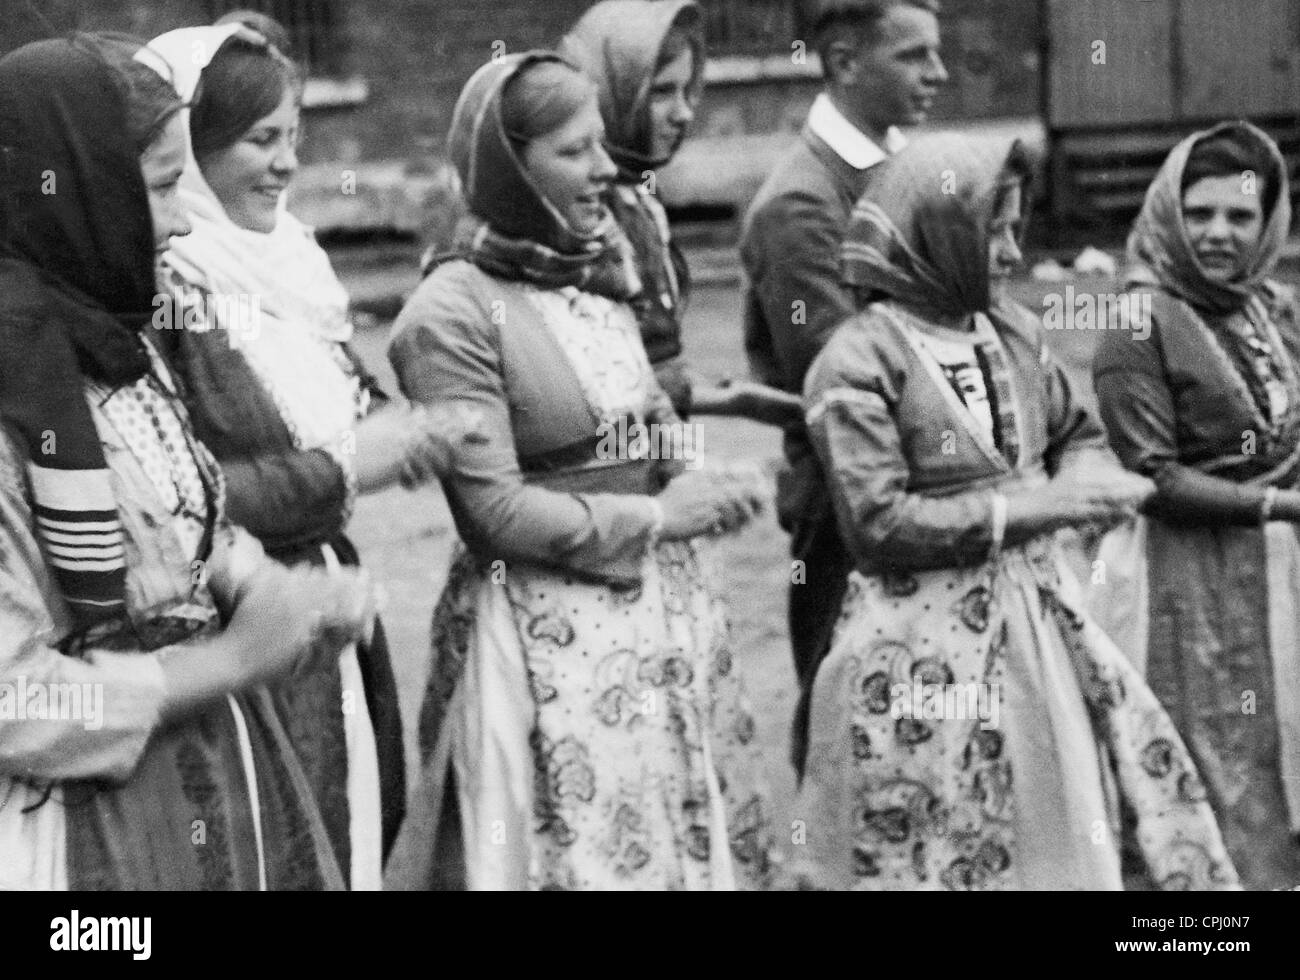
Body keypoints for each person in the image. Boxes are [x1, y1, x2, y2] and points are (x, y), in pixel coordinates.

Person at [793, 134, 1238, 890]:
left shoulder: (1014, 332)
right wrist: (1043, 506)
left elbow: (1080, 434)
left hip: (1035, 628)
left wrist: (1093, 483)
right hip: (917, 646)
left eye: (1014, 229)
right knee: (933, 833)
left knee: (1049, 814)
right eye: (990, 230)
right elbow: (878, 527)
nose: (1009, 252)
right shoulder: (859, 361)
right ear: (933, 231)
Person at [386, 52, 774, 890]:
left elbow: (649, 420)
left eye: (602, 145)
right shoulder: (448, 314)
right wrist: (663, 520)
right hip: (542, 634)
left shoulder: (595, 273)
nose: (606, 169)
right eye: (574, 150)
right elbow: (494, 513)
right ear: (507, 163)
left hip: (658, 619)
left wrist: (699, 477)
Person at [0, 34, 372, 890]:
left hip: (209, 782)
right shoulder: (18, 391)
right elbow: (16, 699)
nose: (181, 219)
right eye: (164, 187)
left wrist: (267, 587)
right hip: (79, 834)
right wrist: (228, 662)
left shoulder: (119, 347)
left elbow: (180, 515)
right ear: (83, 196)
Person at [141, 18, 465, 888]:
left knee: (354, 835)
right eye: (259, 140)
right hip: (243, 627)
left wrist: (420, 433)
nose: (286, 163)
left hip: (333, 616)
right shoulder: (163, 298)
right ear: (190, 148)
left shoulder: (287, 265)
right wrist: (348, 465)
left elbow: (348, 402)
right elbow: (182, 501)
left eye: (294, 137)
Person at [738, 0, 948, 776]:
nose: (939, 73)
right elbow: (843, 388)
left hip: (919, 497)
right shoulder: (803, 204)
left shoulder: (894, 169)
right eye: (914, 55)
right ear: (843, 61)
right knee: (850, 732)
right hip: (851, 511)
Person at [1090, 121, 1300, 890]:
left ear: (1269, 223)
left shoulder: (1267, 307)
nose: (1217, 233)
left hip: (1273, 562)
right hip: (1184, 573)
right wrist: (1281, 505)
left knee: (1275, 748)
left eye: (1240, 217)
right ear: (1171, 213)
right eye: (1200, 213)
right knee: (1205, 755)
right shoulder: (1137, 321)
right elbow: (1155, 477)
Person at [560, 0, 799, 424]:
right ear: (606, 90)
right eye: (661, 92)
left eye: (687, 90)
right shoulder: (580, 216)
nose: (684, 112)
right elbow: (598, 381)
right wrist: (729, 402)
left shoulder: (638, 196)